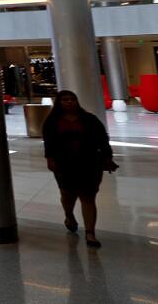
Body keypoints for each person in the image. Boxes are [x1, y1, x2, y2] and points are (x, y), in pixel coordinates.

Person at [42, 90, 117, 247]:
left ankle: (90, 233)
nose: (69, 102)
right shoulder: (52, 121)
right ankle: (69, 215)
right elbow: (48, 141)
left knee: (88, 196)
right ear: (59, 102)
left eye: (72, 99)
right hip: (64, 164)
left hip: (88, 162)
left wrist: (107, 156)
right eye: (65, 99)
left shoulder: (90, 119)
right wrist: (50, 158)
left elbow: (103, 139)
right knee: (67, 194)